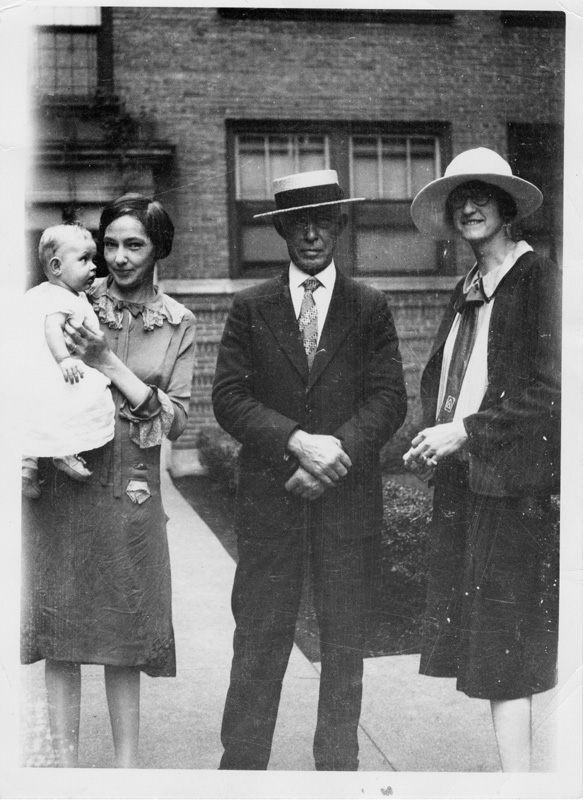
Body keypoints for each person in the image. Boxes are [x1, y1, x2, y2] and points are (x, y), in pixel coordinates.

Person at [212, 169, 407, 771]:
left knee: (344, 645)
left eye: (323, 221)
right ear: (282, 231)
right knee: (260, 641)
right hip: (271, 502)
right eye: (300, 223)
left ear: (339, 227)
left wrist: (332, 456)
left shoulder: (369, 306)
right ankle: (241, 771)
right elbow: (228, 398)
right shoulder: (252, 306)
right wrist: (297, 442)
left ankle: (338, 774)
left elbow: (388, 399)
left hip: (347, 503)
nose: (312, 233)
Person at [21, 194, 197, 768]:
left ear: (158, 249)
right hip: (64, 482)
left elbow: (173, 417)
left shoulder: (177, 323)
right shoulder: (69, 302)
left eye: (135, 245)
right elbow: (24, 369)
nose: (119, 258)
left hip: (131, 486)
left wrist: (107, 362)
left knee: (124, 627)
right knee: (61, 631)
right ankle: (66, 769)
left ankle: (125, 770)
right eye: (111, 246)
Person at [404, 148, 561, 771]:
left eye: (483, 194)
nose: (469, 206)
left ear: (507, 208)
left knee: (505, 640)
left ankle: (521, 782)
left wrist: (464, 432)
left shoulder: (537, 278)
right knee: (487, 641)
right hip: (469, 482)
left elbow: (551, 389)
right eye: (459, 197)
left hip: (512, 487)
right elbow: (447, 375)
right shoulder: (468, 288)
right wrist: (433, 433)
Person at [21, 223, 115, 499]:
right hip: (57, 368)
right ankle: (62, 452)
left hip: (38, 371)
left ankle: (31, 464)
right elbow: (52, 327)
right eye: (84, 259)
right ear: (57, 266)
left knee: (39, 416)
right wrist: (63, 359)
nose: (94, 266)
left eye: (94, 259)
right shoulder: (63, 298)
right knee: (74, 404)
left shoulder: (52, 292)